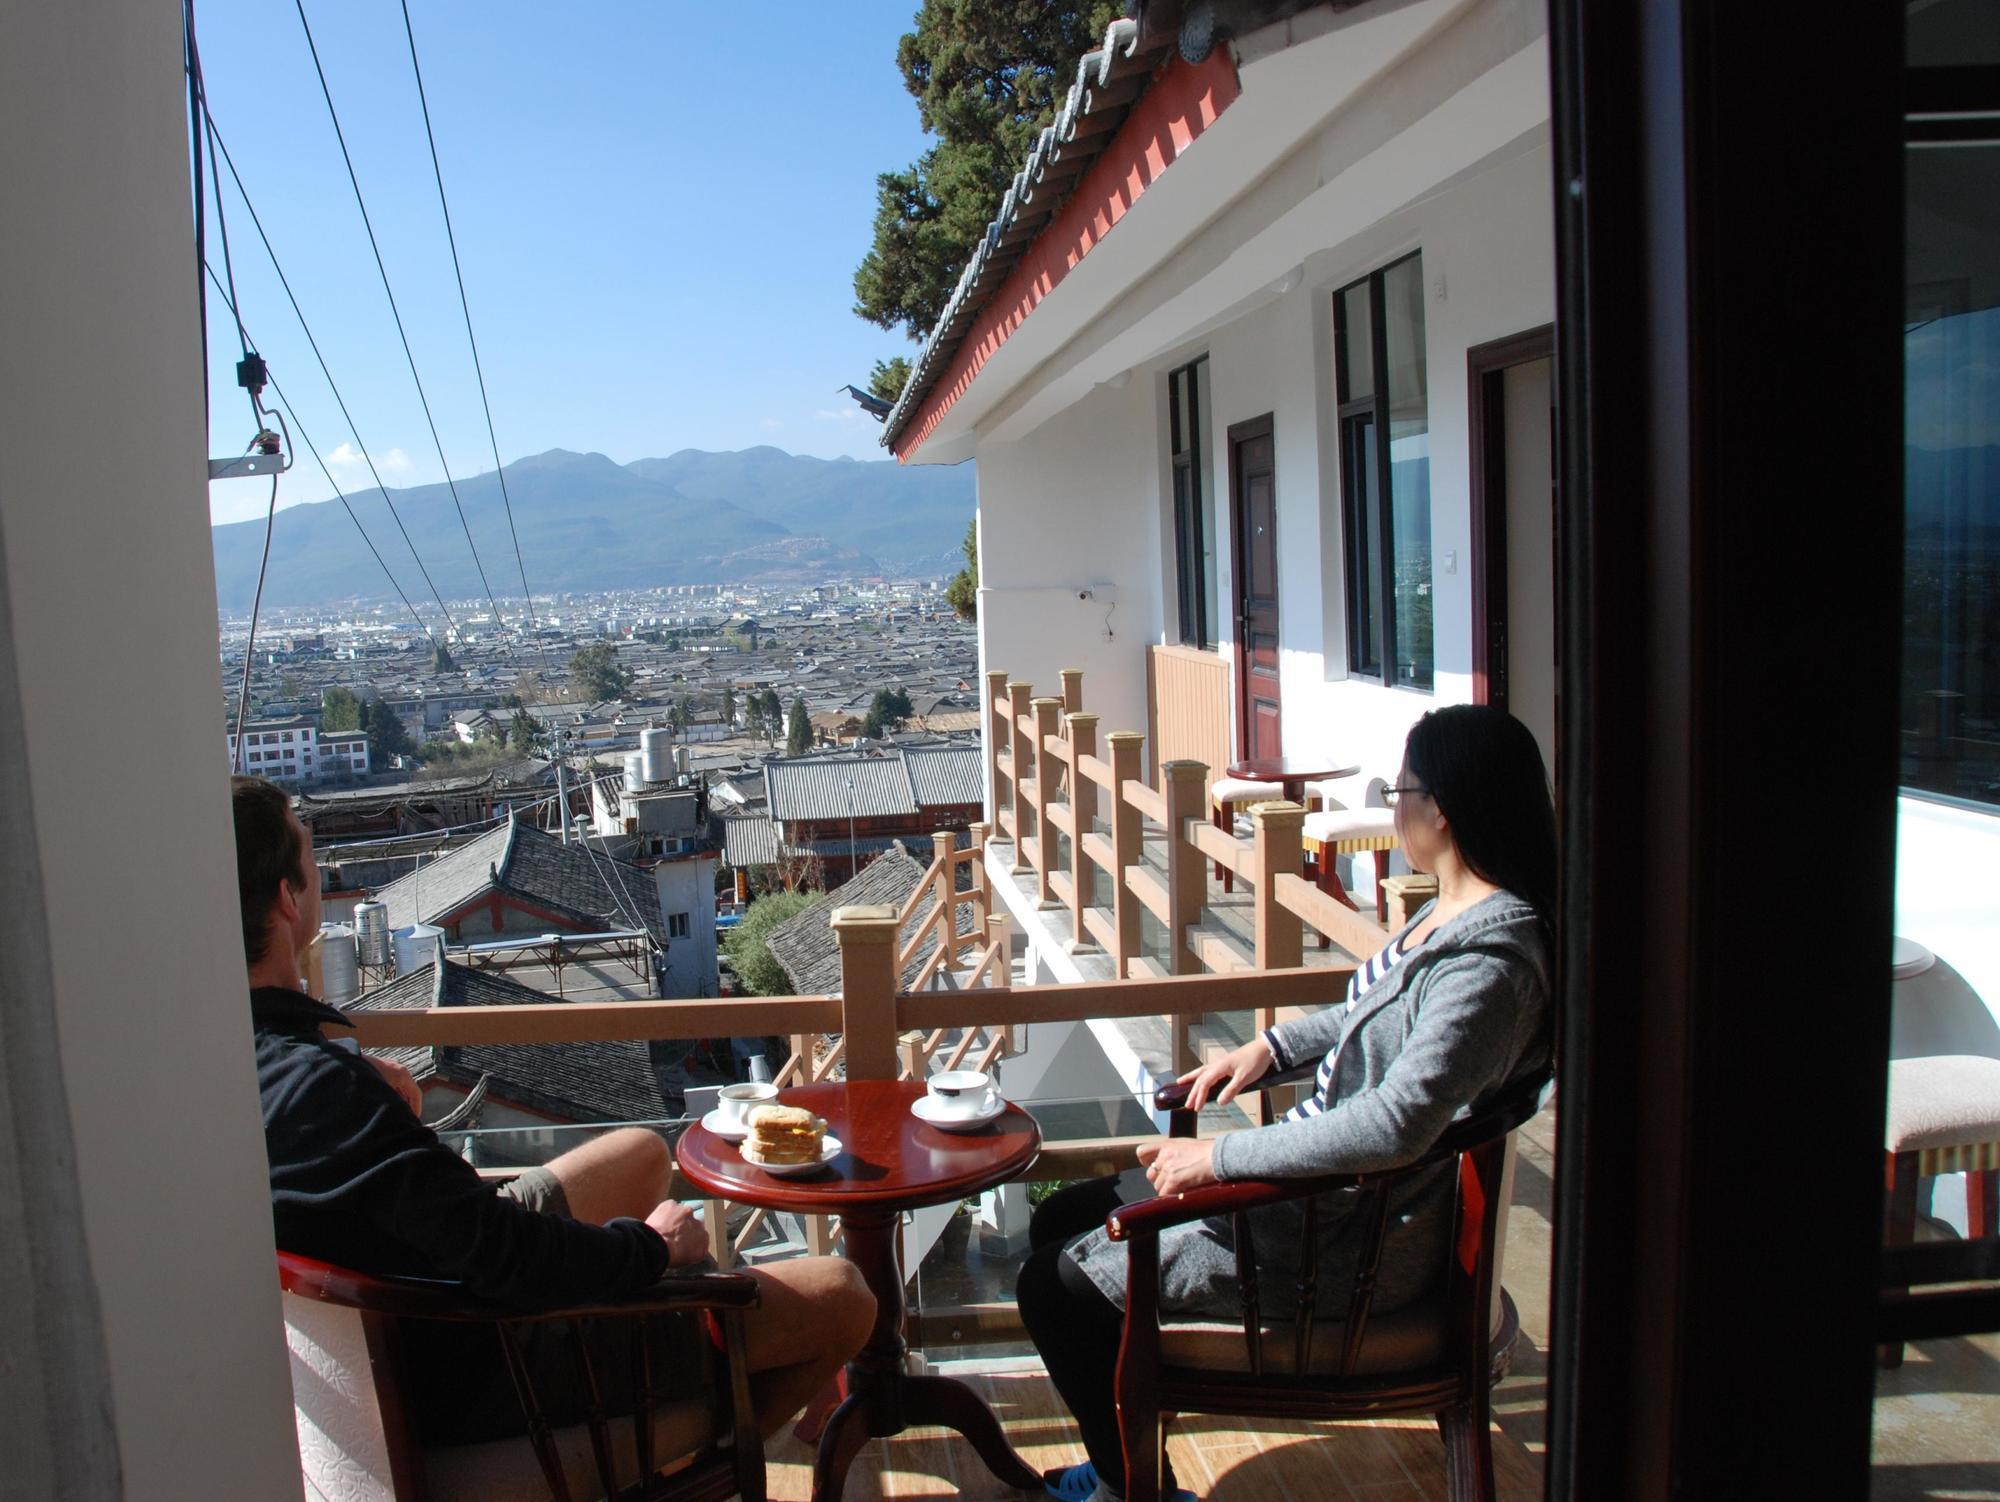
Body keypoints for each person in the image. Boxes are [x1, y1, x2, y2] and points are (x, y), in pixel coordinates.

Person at [234, 775, 873, 1448]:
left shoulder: (243, 1067)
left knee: (641, 1151)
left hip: (427, 1288)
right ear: (284, 898)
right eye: (309, 855)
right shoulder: (328, 1091)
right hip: (481, 1351)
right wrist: (651, 1249)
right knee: (843, 1293)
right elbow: (504, 1255)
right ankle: (703, 1458)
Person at [1018, 705, 1557, 1502]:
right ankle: (1122, 1466)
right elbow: (1372, 1012)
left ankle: (1139, 1492)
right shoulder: (1453, 915)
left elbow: (1395, 1123)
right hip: (1325, 1205)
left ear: (1439, 808)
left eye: (1398, 789)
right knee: (1058, 1219)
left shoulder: (1490, 967)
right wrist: (1270, 1049)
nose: (1394, 803)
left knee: (1050, 1287)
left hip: (1336, 1239)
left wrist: (1215, 1158)